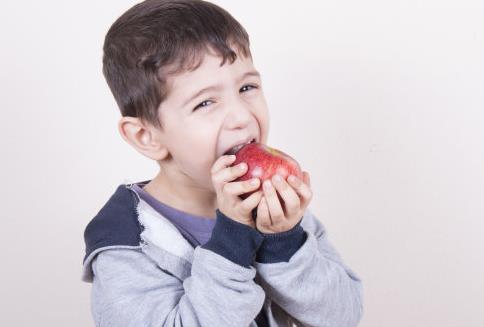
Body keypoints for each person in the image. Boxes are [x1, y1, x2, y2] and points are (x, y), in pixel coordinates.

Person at [81, 0, 363, 326]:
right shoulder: (126, 245)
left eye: (247, 87)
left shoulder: (273, 207)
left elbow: (343, 316)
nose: (242, 116)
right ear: (147, 137)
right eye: (205, 102)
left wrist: (285, 242)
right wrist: (233, 242)